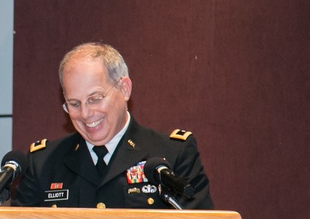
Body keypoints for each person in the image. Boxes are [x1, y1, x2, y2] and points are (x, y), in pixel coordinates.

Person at [13, 42, 213, 209]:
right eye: (74, 104)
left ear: (124, 89)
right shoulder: (43, 163)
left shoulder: (172, 155)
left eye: (95, 99)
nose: (85, 114)